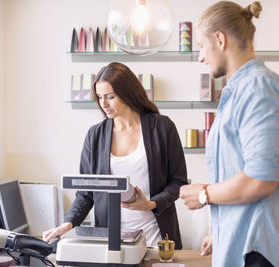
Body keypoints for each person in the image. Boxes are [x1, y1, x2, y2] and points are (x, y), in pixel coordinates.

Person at [179, 1, 279, 267]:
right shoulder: (242, 90)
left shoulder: (258, 88)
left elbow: (261, 180)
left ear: (220, 39)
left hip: (259, 253)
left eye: (201, 46)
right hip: (246, 244)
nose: (200, 57)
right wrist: (224, 231)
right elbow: (240, 171)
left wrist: (204, 194)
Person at [43, 62, 188, 249]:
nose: (103, 104)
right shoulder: (95, 135)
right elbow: (86, 193)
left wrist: (152, 204)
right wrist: (68, 224)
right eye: (99, 97)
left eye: (110, 97)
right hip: (110, 240)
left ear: (128, 93)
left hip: (156, 237)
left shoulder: (161, 127)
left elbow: (178, 182)